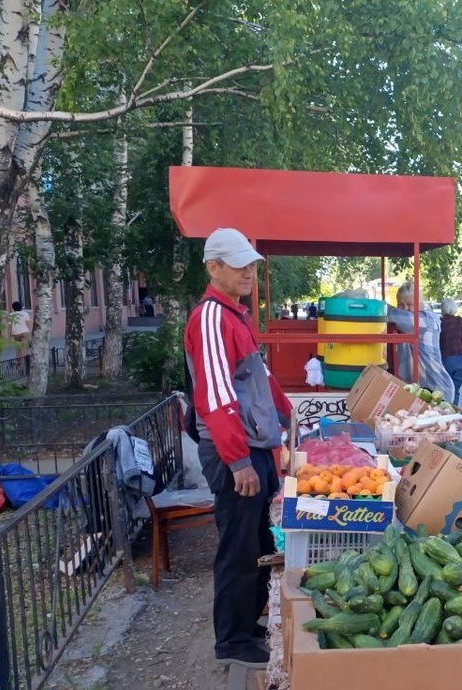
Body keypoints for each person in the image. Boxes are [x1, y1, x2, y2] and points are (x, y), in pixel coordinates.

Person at [184, 227, 293, 669]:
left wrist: (286, 419)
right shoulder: (210, 317)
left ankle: (250, 626)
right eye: (239, 264)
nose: (250, 271)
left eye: (252, 264)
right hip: (237, 454)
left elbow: (259, 382)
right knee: (239, 548)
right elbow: (216, 396)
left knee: (262, 542)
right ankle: (232, 640)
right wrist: (238, 461)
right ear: (213, 267)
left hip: (255, 449)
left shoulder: (237, 317)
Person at [388, 282, 455, 403]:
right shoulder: (406, 325)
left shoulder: (425, 320)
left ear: (421, 305)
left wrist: (374, 306)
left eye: (409, 304)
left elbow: (390, 314)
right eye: (401, 305)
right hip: (419, 390)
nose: (405, 309)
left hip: (437, 390)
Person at [438, 298, 462, 405]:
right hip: (460, 361)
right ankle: (454, 416)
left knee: (443, 391)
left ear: (442, 309)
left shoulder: (439, 323)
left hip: (445, 360)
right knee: (455, 391)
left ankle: (443, 415)